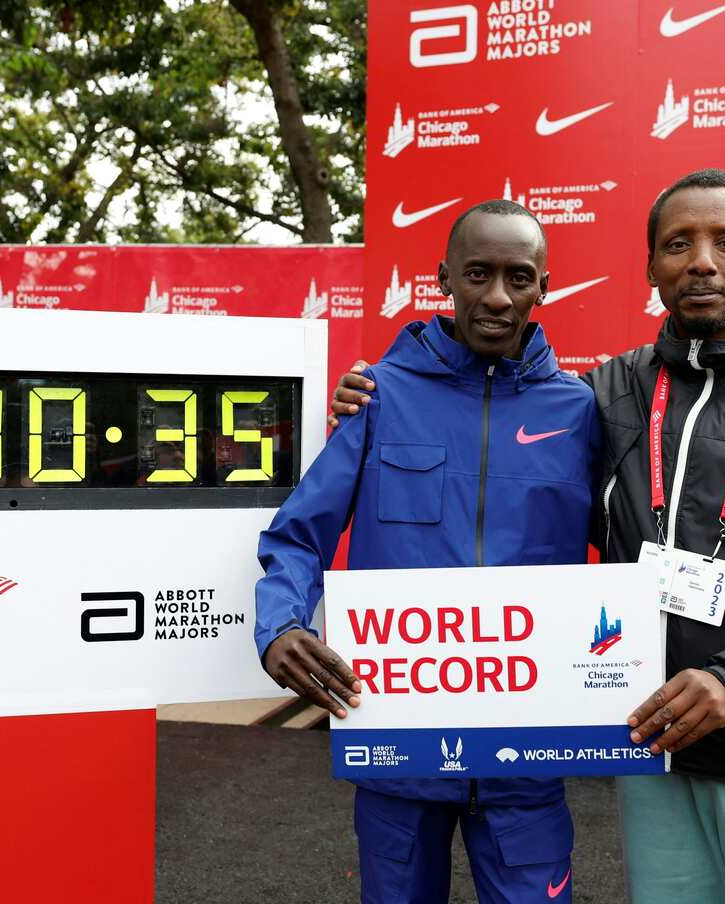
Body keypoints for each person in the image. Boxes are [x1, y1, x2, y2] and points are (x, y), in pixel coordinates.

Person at [330, 169, 725, 904]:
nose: (702, 261)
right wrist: (383, 394)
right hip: (659, 753)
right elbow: (491, 425)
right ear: (651, 269)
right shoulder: (615, 391)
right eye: (678, 244)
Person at [255, 199, 599, 904]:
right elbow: (298, 533)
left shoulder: (580, 410)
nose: (497, 297)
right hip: (400, 750)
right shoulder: (379, 397)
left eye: (519, 277)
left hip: (526, 755)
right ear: (444, 277)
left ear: (544, 286)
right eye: (477, 274)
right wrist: (279, 626)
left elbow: (638, 538)